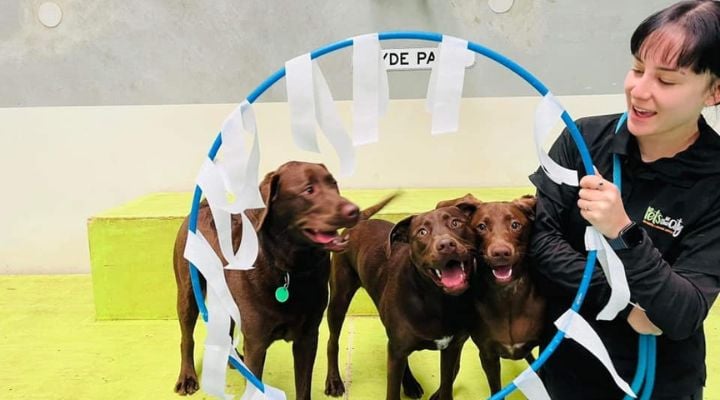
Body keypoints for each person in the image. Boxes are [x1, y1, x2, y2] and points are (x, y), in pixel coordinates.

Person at [529, 1, 720, 399]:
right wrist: (625, 298)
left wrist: (623, 232)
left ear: (714, 91)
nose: (639, 89)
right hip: (568, 364)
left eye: (666, 81)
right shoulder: (582, 142)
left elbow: (683, 313)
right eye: (636, 68)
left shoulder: (714, 179)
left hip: (663, 380)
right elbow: (541, 244)